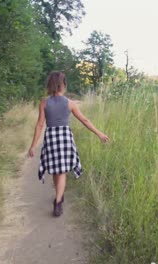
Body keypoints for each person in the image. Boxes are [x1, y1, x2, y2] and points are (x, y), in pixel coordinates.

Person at [28, 71, 109, 217]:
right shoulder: (70, 103)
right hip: (64, 138)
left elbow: (40, 125)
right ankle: (58, 202)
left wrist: (33, 146)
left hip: (51, 138)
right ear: (63, 85)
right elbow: (84, 120)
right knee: (63, 171)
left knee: (55, 170)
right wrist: (99, 133)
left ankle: (58, 196)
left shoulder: (44, 103)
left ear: (50, 85)